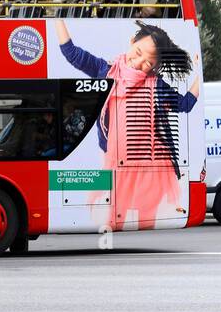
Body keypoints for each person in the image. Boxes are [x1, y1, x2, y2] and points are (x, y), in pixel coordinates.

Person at [55, 19, 200, 229]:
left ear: (156, 66)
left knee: (145, 220)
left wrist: (199, 74)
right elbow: (72, 53)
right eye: (138, 51)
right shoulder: (104, 71)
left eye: (149, 63)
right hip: (114, 162)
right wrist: (55, 17)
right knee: (110, 217)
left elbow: (184, 104)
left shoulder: (156, 84)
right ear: (132, 41)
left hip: (149, 167)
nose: (140, 63)